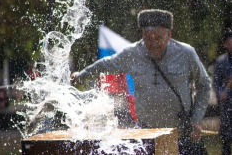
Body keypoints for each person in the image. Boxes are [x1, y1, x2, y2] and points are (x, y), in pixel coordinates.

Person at [71, 9, 211, 154]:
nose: (153, 43)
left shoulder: (186, 53)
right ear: (142, 35)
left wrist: (196, 120)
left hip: (182, 133)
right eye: (148, 38)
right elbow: (106, 64)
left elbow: (204, 84)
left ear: (169, 35)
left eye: (158, 38)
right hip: (146, 134)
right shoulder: (131, 54)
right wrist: (81, 76)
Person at [214, 28, 232, 155]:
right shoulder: (221, 62)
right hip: (227, 104)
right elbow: (216, 82)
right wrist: (220, 92)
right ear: (225, 44)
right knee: (226, 138)